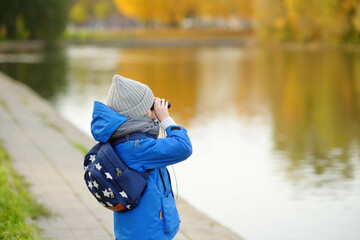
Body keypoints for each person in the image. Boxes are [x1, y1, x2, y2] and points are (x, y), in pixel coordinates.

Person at [90, 75, 193, 240]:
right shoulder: (139, 148)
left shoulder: (120, 137)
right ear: (140, 113)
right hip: (149, 231)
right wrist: (166, 120)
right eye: (149, 106)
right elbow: (183, 147)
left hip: (132, 229)